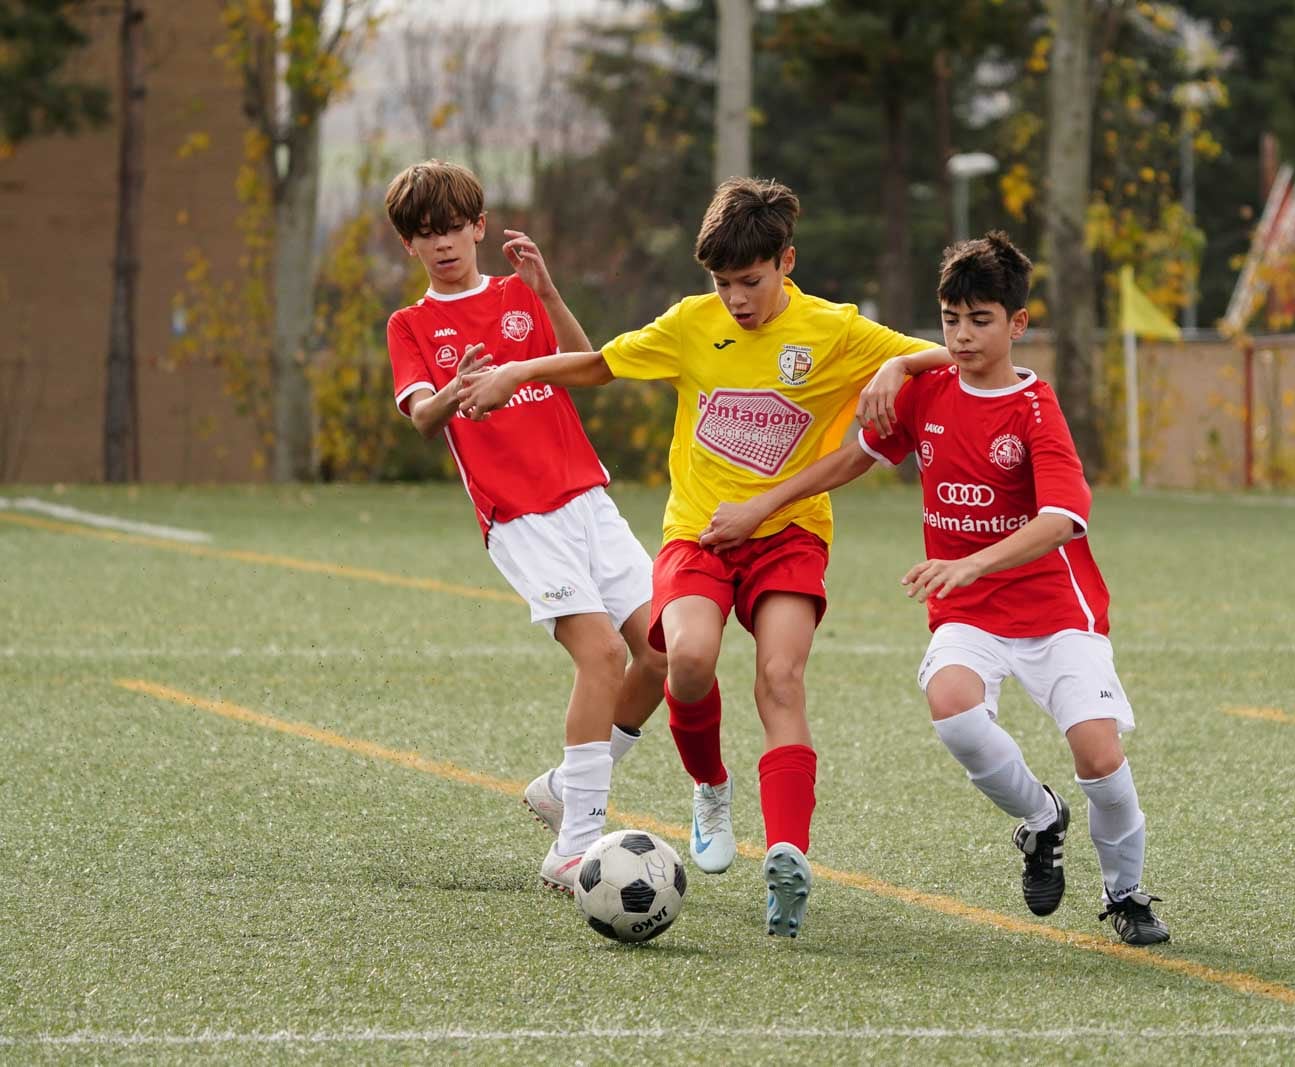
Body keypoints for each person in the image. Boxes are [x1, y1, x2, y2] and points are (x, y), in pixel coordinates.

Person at [457, 177, 951, 937]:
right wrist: (520, 371)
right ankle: (711, 788)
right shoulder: (694, 324)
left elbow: (947, 357)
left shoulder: (836, 330)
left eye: (750, 282)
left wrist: (897, 366)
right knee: (686, 659)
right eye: (722, 284)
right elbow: (602, 364)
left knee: (780, 677)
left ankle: (788, 856)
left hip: (789, 535)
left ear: (786, 261)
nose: (736, 299)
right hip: (699, 533)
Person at [696, 232, 1171, 945]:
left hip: (1055, 613)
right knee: (951, 709)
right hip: (968, 613)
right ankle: (1041, 819)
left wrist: (973, 561)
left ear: (1018, 324)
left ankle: (1126, 893)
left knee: (1098, 754)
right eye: (950, 318)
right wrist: (764, 506)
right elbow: (848, 459)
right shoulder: (925, 391)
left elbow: (1064, 520)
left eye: (981, 320)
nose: (962, 334)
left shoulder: (1035, 407)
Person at [381, 159, 667, 896]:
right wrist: (456, 388)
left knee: (662, 656)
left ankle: (561, 789)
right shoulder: (411, 324)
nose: (442, 242)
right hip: (520, 518)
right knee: (601, 656)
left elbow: (588, 363)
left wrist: (547, 291)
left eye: (452, 227)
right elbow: (420, 417)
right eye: (424, 233)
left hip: (588, 498)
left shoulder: (515, 295)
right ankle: (572, 851)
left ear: (478, 226)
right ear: (409, 245)